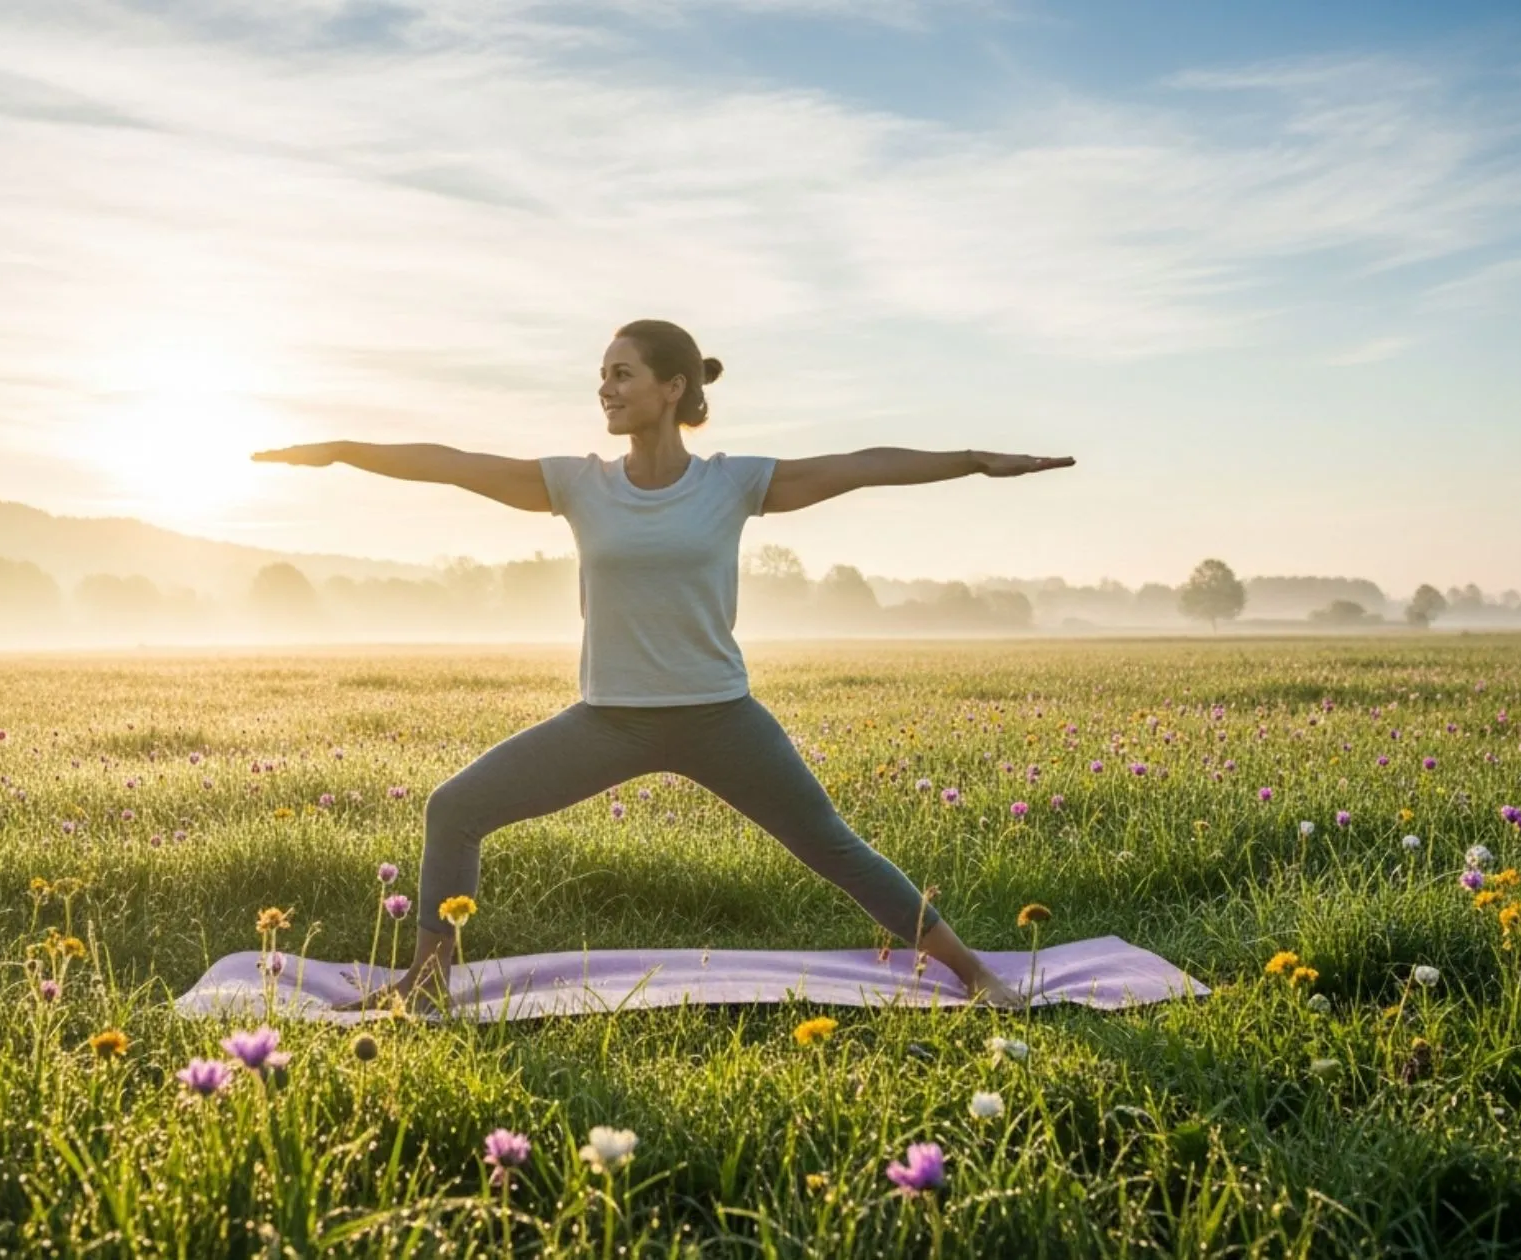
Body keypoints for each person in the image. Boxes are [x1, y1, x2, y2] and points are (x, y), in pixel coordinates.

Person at [251, 318, 1075, 1009]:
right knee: (455, 807)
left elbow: (859, 467)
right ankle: (427, 980)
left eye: (622, 373)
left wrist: (972, 460)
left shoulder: (733, 483)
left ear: (673, 387)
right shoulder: (577, 484)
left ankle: (976, 975)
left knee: (834, 848)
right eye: (601, 376)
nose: (605, 389)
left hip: (720, 717)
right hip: (607, 720)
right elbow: (451, 462)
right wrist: (338, 449)